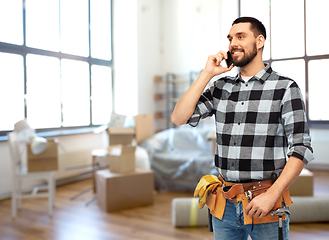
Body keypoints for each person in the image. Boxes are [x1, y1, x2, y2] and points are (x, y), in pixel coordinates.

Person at [171, 16, 314, 240]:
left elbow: (301, 148)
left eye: (240, 36)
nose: (232, 43)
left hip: (265, 203)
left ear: (259, 41)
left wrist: (271, 195)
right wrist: (207, 73)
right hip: (224, 203)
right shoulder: (221, 87)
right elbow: (179, 117)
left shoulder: (285, 87)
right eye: (230, 39)